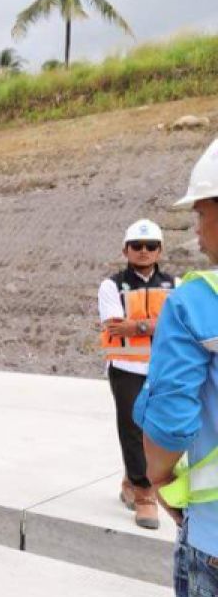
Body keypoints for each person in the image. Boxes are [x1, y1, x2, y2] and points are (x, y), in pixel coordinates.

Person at [134, 137, 218, 597]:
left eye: (199, 210)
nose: (196, 223)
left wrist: (160, 481)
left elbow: (169, 417)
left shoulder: (197, 299)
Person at [99, 219, 174, 531]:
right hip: (126, 370)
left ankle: (132, 479)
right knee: (131, 430)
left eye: (151, 246)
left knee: (158, 431)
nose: (144, 252)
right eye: (137, 246)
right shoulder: (111, 285)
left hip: (162, 368)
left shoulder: (175, 284)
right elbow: (115, 326)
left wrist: (138, 326)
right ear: (125, 250)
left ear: (159, 250)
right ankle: (144, 494)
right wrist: (156, 324)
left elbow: (178, 325)